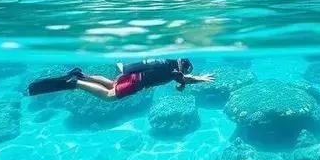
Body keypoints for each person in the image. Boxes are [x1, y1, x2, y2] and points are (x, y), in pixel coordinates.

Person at [27, 58, 213, 100]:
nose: (183, 72)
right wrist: (201, 79)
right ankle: (77, 82)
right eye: (185, 70)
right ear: (183, 67)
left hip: (132, 75)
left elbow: (182, 80)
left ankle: (81, 75)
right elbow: (185, 80)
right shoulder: (174, 71)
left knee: (111, 83)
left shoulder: (166, 62)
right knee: (109, 96)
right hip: (136, 82)